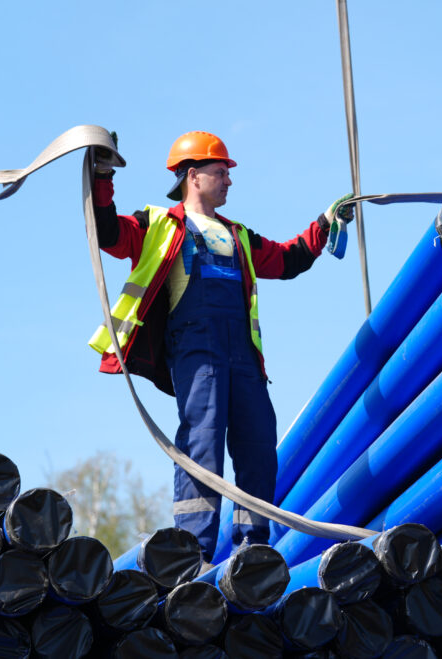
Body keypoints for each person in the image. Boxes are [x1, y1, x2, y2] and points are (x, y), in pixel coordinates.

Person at [87, 130, 351, 562]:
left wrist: (324, 224)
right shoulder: (158, 225)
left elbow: (288, 260)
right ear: (193, 176)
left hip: (242, 355)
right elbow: (109, 232)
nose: (229, 181)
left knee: (258, 444)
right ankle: (193, 553)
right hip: (196, 348)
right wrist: (100, 174)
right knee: (202, 440)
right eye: (221, 172)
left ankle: (253, 550)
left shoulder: (238, 236)